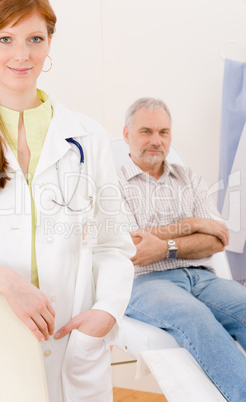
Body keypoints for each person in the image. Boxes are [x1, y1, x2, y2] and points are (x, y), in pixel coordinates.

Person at [0, 1, 135, 401]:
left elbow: (113, 243)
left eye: (35, 38)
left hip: (71, 340)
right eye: (5, 39)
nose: (22, 54)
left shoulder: (87, 136)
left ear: (49, 43)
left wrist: (107, 311)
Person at [117, 97, 246, 402]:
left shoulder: (189, 178)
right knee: (195, 318)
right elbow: (132, 248)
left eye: (164, 132)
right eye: (146, 131)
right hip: (144, 282)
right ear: (127, 135)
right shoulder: (113, 183)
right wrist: (191, 224)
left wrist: (164, 246)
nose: (156, 141)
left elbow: (218, 240)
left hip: (202, 278)